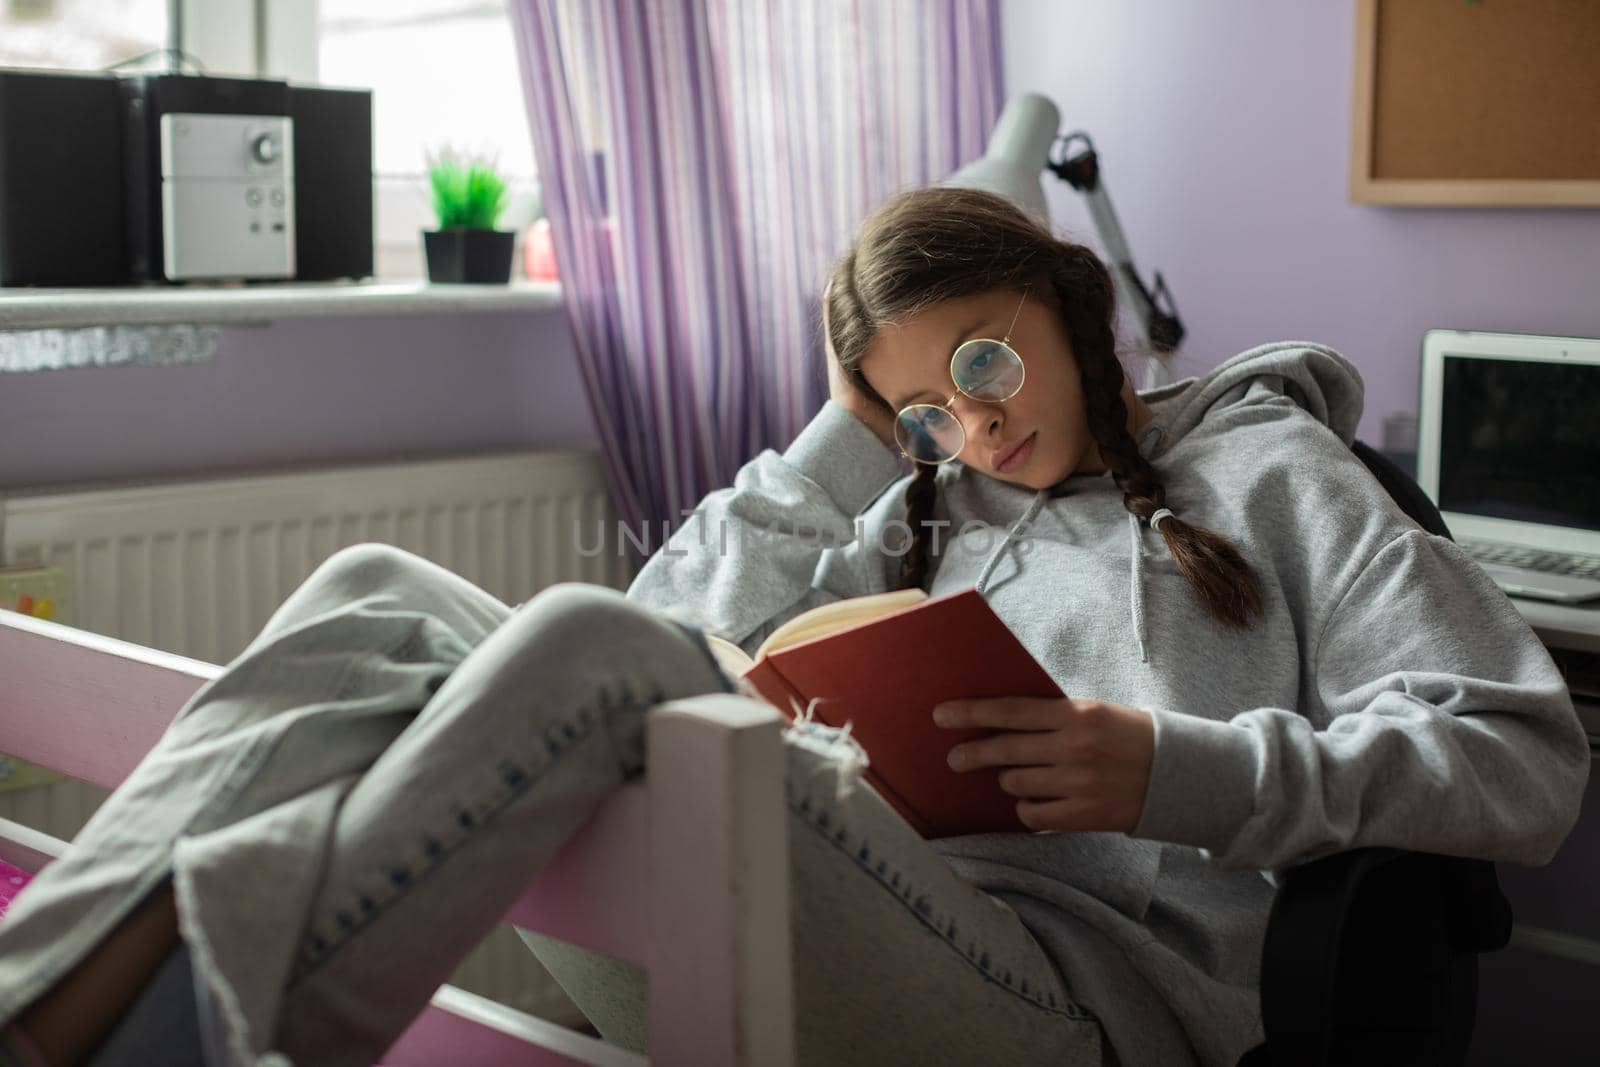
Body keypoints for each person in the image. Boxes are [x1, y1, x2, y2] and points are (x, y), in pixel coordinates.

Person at [0, 185, 1588, 1067]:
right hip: (847, 909)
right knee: (374, 598)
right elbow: (615, 644)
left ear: (1066, 299)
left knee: (589, 657)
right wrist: (846, 443)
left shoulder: (1273, 472)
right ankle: (44, 1002)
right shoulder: (920, 509)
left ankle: (212, 1034)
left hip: (1068, 999)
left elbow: (1521, 757)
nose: (973, 430)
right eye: (920, 408)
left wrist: (1169, 769)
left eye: (983, 366)